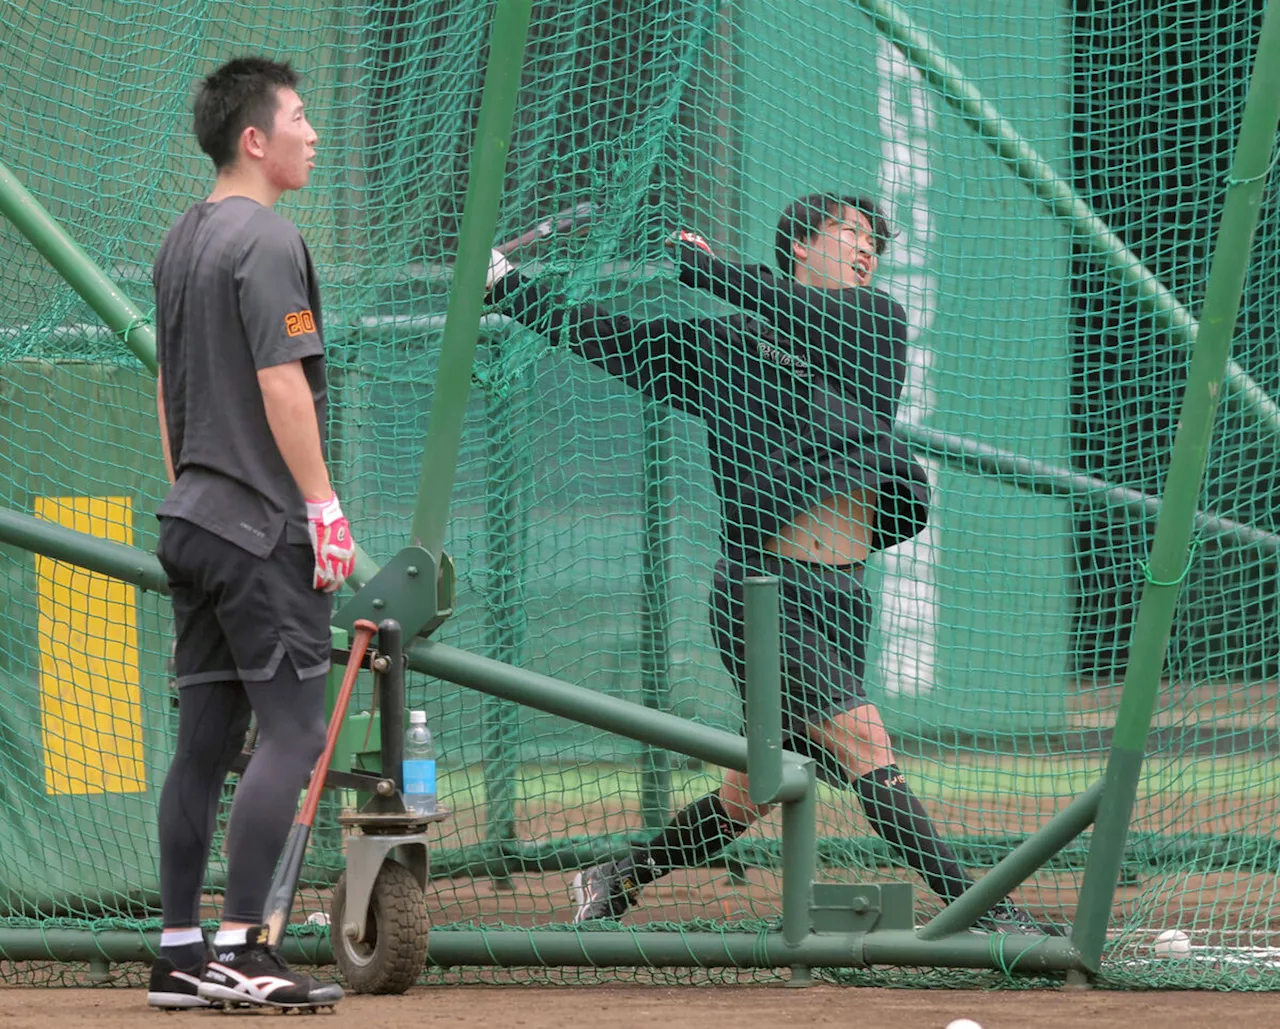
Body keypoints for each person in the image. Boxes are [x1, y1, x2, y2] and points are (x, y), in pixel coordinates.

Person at [485, 193, 1058, 936]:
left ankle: (620, 872)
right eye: (847, 232)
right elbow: (610, 336)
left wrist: (709, 267)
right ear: (800, 246)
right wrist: (507, 289)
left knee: (752, 790)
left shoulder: (874, 324)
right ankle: (984, 911)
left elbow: (796, 315)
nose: (864, 249)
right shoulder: (725, 345)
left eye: (872, 242)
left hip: (843, 597)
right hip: (765, 592)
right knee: (865, 744)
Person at [146, 56, 354, 1011]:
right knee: (297, 729)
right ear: (254, 140)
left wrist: (192, 485)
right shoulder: (266, 240)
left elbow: (167, 389)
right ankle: (242, 945)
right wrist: (322, 506)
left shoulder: (180, 240)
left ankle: (181, 951)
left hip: (192, 518)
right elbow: (282, 382)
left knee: (204, 738)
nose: (313, 134)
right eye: (301, 119)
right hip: (260, 525)